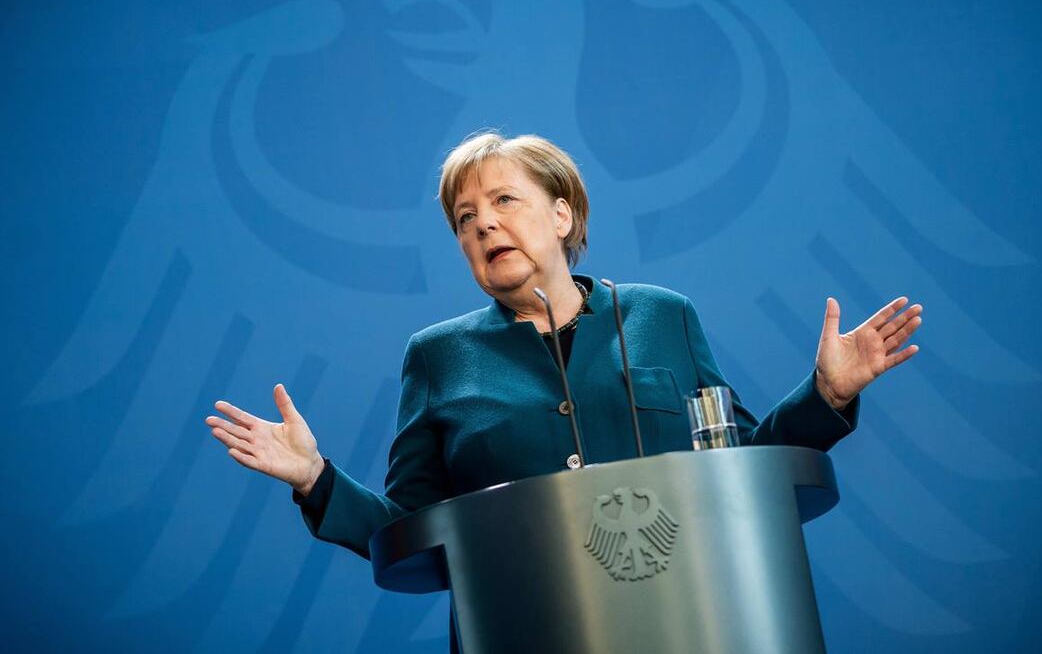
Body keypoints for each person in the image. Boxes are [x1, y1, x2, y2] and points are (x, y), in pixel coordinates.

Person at [205, 131, 922, 645]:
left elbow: (738, 468)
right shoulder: (437, 357)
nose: (484, 224)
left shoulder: (661, 316)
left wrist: (826, 395)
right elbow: (410, 528)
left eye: (504, 201)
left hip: (698, 620)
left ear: (561, 214)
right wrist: (316, 479)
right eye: (464, 220)